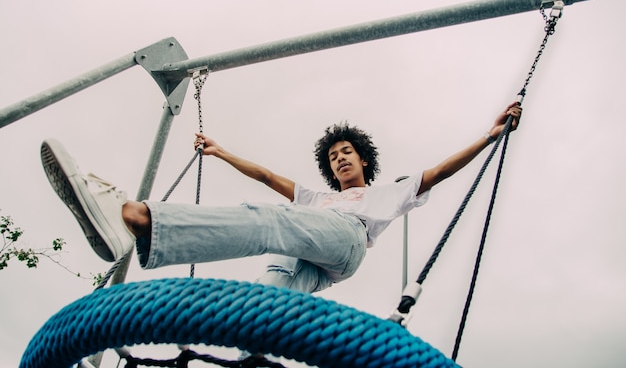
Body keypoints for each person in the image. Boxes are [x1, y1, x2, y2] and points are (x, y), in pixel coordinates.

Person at [41, 102, 521, 294]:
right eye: (333, 156)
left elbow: (438, 171)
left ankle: (135, 219)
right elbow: (267, 175)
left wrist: (490, 135)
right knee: (273, 286)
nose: (340, 160)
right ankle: (258, 354)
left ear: (364, 161)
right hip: (313, 258)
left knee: (274, 221)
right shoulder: (318, 196)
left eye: (347, 153)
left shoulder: (387, 191)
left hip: (347, 241)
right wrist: (222, 152)